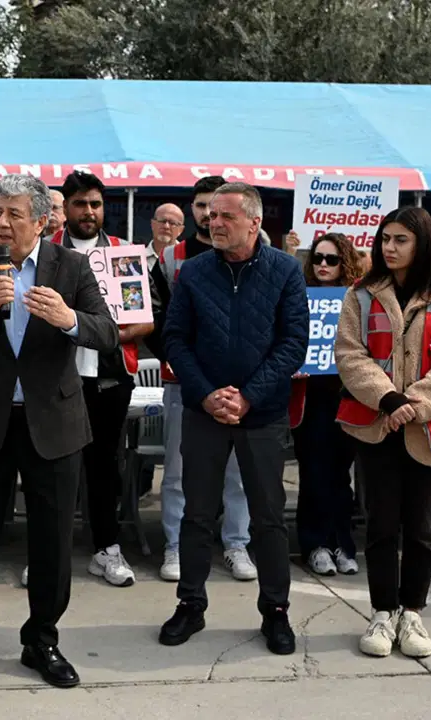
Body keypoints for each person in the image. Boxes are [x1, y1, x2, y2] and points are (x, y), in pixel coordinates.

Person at [0, 173, 118, 689]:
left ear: (42, 220)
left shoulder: (72, 266)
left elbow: (105, 333)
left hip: (53, 425)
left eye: (15, 214)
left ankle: (42, 639)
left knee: (53, 543)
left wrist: (68, 319)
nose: (3, 223)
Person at [158, 181, 307, 656]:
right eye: (211, 215)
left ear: (254, 222)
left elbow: (292, 344)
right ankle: (190, 605)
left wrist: (248, 396)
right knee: (197, 514)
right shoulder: (194, 272)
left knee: (267, 517)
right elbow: (175, 339)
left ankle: (276, 612)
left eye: (225, 216)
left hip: (261, 414)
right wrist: (206, 396)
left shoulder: (285, 271)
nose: (213, 223)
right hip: (205, 412)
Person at [336, 207, 431, 659]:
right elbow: (350, 355)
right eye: (385, 239)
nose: (388, 248)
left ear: (423, 245)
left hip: (427, 428)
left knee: (421, 526)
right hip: (377, 426)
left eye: (400, 240)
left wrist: (412, 404)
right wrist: (388, 400)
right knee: (380, 524)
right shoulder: (359, 295)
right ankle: (382, 611)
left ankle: (412, 612)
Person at [47, 170, 151, 587]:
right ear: (65, 208)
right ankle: (48, 552)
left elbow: (145, 320)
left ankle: (107, 548)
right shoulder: (44, 253)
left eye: (95, 204)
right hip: (55, 376)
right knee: (53, 466)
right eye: (79, 204)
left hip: (109, 376)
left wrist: (100, 333)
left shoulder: (125, 253)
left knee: (105, 465)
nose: (89, 212)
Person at [151, 176, 256, 584]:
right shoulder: (173, 258)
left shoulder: (259, 256)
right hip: (186, 382)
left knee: (238, 472)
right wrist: (182, 366)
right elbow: (160, 320)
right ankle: (175, 544)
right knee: (178, 471)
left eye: (219, 211)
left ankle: (236, 543)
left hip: (239, 388)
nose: (210, 218)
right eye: (202, 209)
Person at [292, 232, 363, 577]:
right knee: (314, 472)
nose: (322, 264)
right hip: (310, 397)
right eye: (317, 258)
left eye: (331, 259)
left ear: (344, 263)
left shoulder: (358, 299)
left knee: (340, 476)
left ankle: (343, 544)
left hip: (347, 396)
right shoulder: (297, 295)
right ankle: (314, 544)